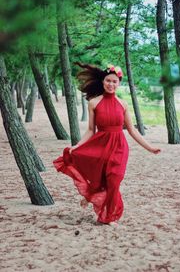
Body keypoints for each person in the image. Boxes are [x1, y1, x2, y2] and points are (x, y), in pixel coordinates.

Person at [53, 63, 161, 225]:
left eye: (114, 81)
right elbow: (90, 130)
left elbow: (132, 130)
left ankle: (108, 214)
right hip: (101, 144)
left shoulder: (123, 104)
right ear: (103, 82)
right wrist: (77, 146)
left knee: (114, 180)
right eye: (108, 81)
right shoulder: (94, 103)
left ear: (119, 84)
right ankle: (95, 200)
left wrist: (150, 148)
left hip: (119, 147)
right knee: (100, 179)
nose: (111, 84)